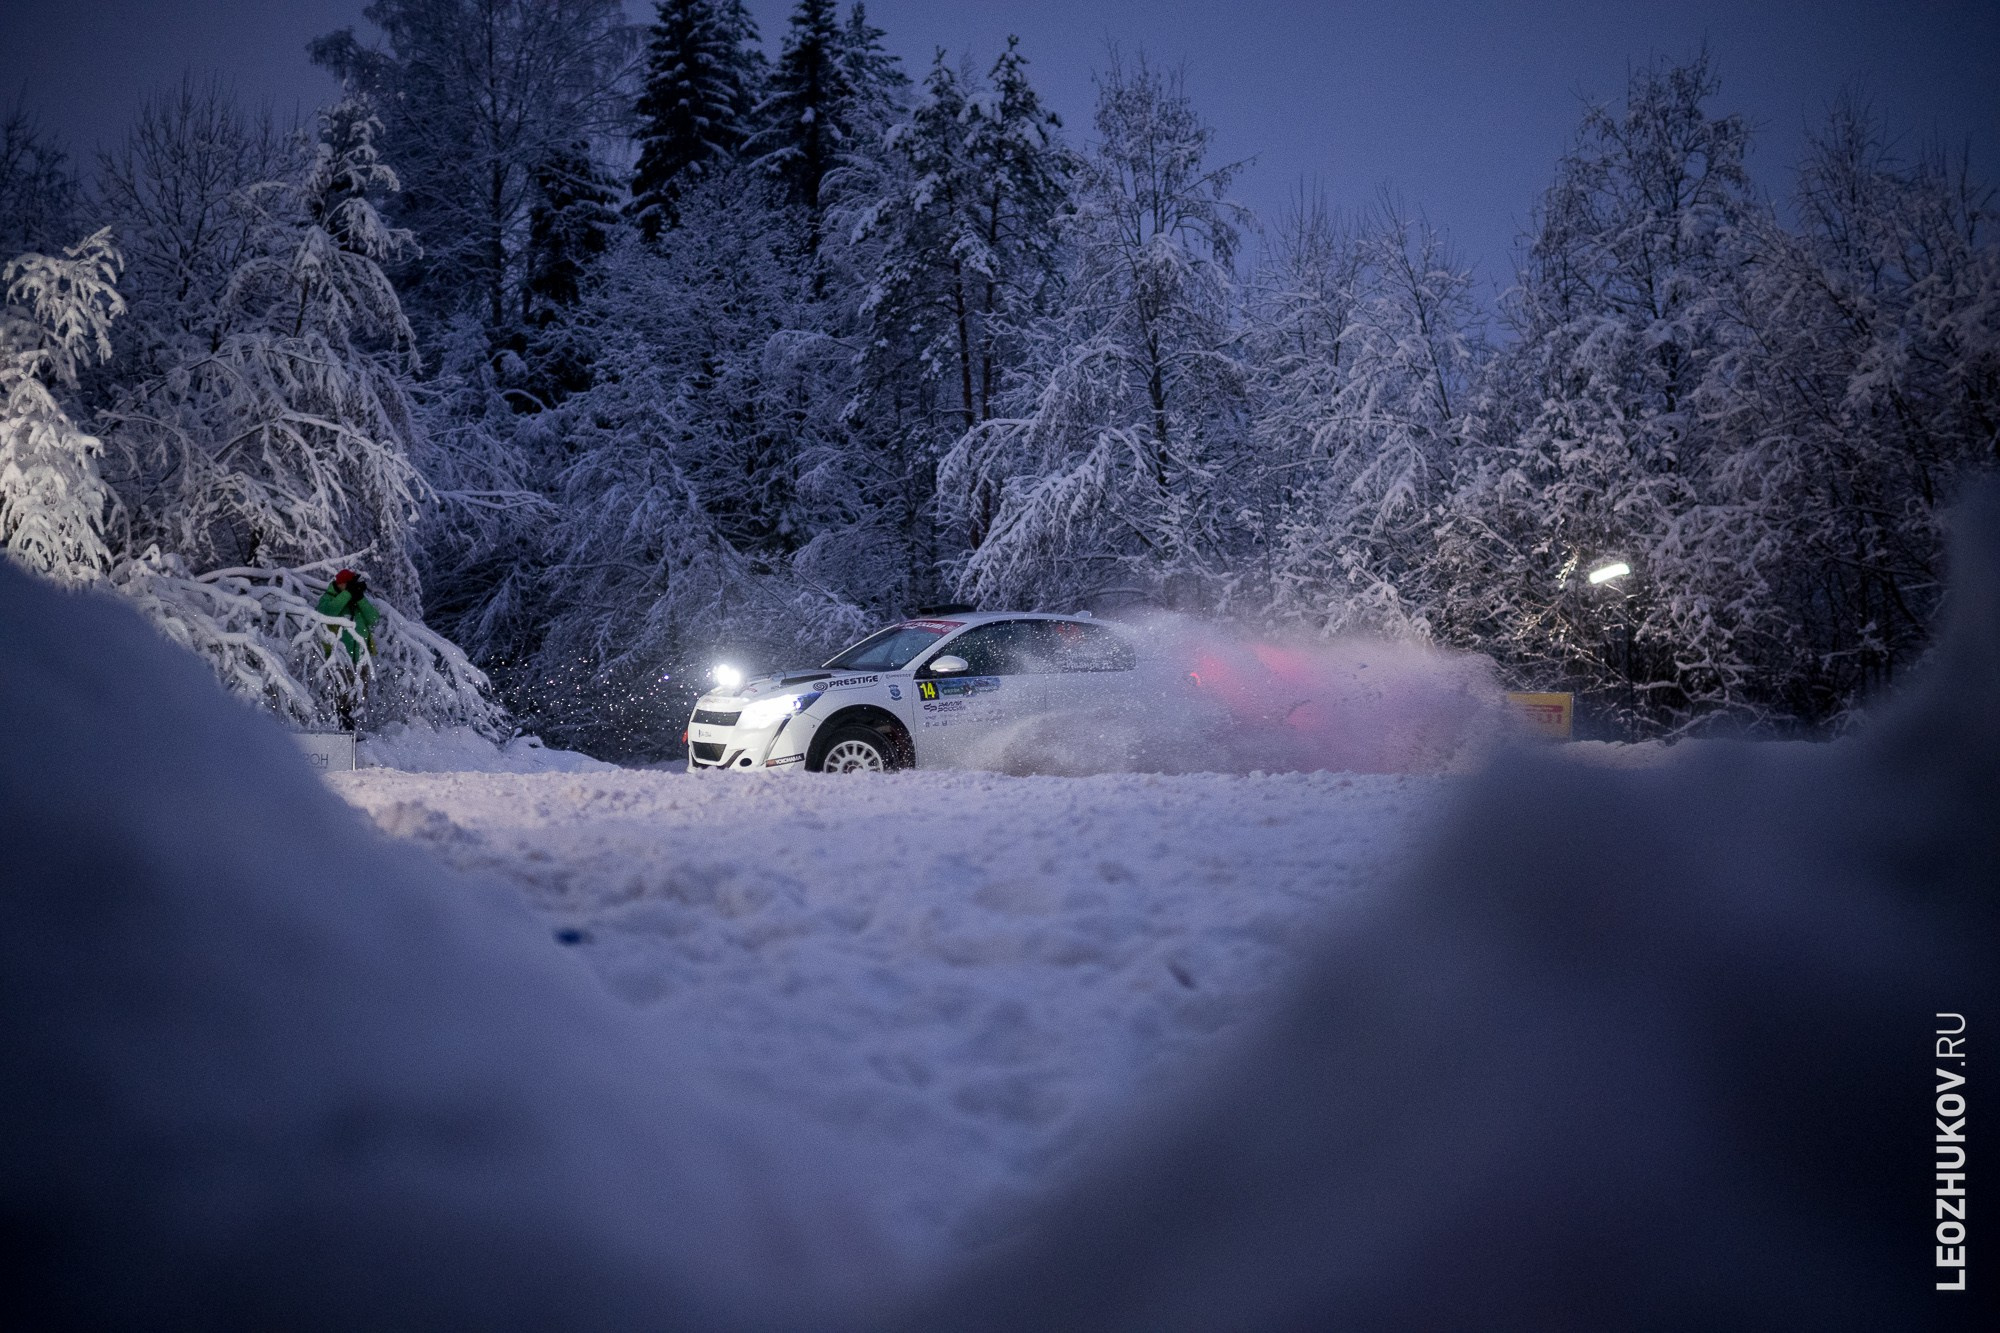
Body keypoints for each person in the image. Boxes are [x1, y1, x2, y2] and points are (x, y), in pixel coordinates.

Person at [316, 569, 380, 730]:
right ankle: (342, 730)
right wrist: (347, 595)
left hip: (360, 658)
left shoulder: (356, 600)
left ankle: (352, 730)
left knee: (358, 697)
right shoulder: (329, 598)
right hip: (339, 658)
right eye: (348, 585)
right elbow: (327, 612)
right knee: (341, 697)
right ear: (340, 584)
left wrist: (359, 598)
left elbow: (373, 619)